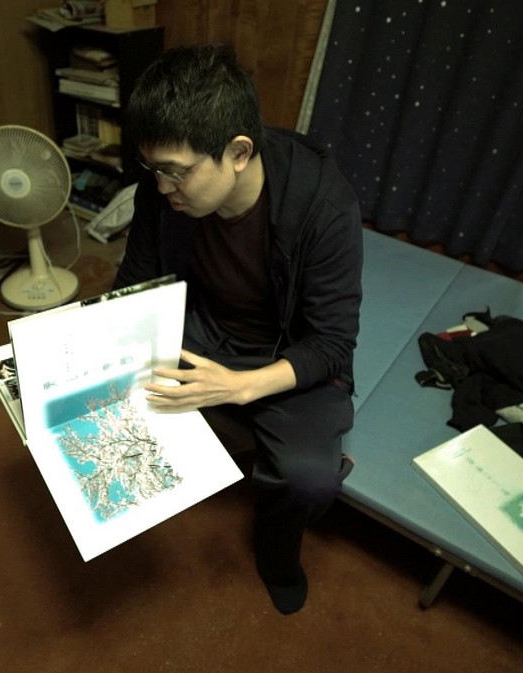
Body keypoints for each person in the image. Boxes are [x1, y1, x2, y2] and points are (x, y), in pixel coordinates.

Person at [113, 43, 364, 614]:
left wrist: (239, 387)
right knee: (109, 387)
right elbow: (136, 283)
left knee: (308, 481)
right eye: (153, 170)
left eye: (175, 173)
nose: (162, 188)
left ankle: (277, 554)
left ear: (239, 152)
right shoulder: (163, 191)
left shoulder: (324, 207)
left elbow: (331, 344)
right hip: (202, 327)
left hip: (286, 349)